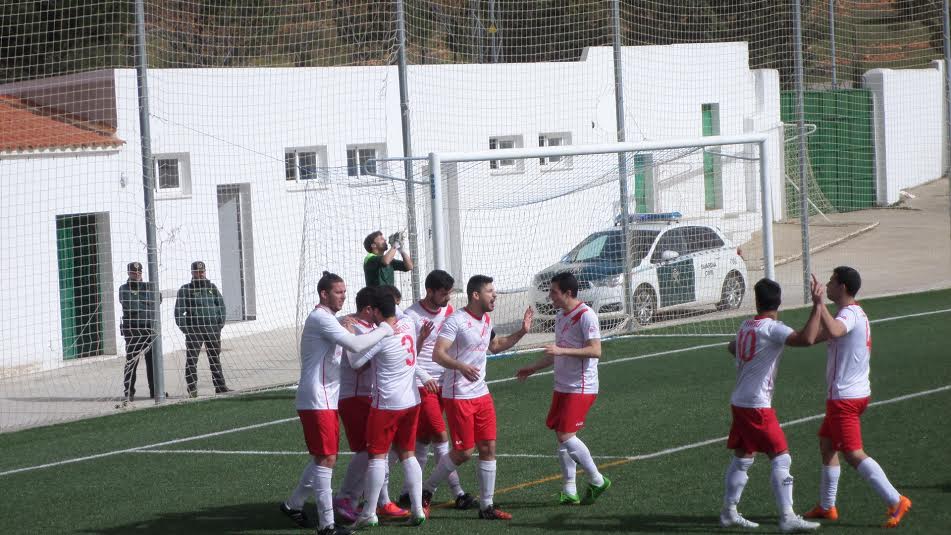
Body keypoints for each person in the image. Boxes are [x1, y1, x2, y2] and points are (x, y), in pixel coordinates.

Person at [280, 272, 395, 535]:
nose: (344, 296)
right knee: (327, 459)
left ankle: (293, 504)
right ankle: (327, 525)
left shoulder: (331, 319)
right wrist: (386, 329)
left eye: (344, 291)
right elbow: (355, 345)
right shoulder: (321, 318)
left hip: (327, 399)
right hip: (316, 398)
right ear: (324, 294)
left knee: (323, 457)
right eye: (339, 292)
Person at [802, 267, 912, 528]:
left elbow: (836, 331)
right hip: (853, 393)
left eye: (831, 281)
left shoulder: (849, 314)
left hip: (845, 398)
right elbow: (817, 336)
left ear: (842, 288)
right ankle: (827, 506)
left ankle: (896, 500)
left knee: (852, 453)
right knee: (827, 444)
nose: (827, 285)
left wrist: (819, 304)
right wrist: (810, 316)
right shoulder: (853, 313)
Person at [421, 275, 533, 520]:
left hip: (481, 393)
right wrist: (460, 366)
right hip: (458, 395)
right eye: (490, 291)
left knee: (488, 447)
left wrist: (522, 332)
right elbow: (438, 355)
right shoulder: (456, 321)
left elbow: (495, 345)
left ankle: (486, 507)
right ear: (475, 295)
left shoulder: (485, 319)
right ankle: (426, 490)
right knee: (463, 452)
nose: (495, 295)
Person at [720, 278, 823, 532]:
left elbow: (732, 347)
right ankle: (787, 517)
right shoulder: (772, 329)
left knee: (744, 456)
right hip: (756, 405)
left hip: (740, 401)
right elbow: (807, 339)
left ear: (757, 301)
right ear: (779, 302)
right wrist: (817, 306)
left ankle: (728, 512)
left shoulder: (746, 325)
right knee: (781, 456)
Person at [515, 272, 611, 506]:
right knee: (562, 437)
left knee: (566, 435)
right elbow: (556, 352)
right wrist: (533, 368)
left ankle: (597, 480)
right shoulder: (560, 316)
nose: (550, 297)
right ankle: (569, 489)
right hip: (562, 385)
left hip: (581, 386)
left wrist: (562, 352)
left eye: (554, 292)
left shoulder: (586, 316)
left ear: (568, 293)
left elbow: (595, 351)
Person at [347, 292, 438, 528]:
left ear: (376, 311)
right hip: (412, 401)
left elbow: (355, 362)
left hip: (387, 404)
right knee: (408, 454)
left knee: (377, 456)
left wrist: (350, 332)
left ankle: (369, 512)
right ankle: (417, 509)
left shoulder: (379, 336)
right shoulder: (408, 322)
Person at [333, 287, 411, 523]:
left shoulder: (373, 327)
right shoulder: (352, 326)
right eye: (378, 308)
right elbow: (358, 363)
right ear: (369, 309)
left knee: (380, 451)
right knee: (368, 451)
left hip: (373, 396)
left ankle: (380, 500)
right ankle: (345, 498)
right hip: (354, 397)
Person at [400, 270, 475, 510]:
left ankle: (407, 493)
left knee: (423, 439)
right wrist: (423, 373)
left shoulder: (449, 312)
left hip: (445, 383)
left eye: (449, 294)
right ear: (429, 291)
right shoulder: (411, 316)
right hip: (423, 384)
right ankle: (458, 493)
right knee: (442, 437)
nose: (448, 299)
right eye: (444, 294)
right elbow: (408, 355)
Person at [174, 261, 229, 397]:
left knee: (215, 358)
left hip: (212, 329)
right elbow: (178, 312)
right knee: (192, 360)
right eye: (197, 272)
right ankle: (192, 389)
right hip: (195, 330)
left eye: (202, 271)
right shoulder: (185, 290)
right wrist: (187, 329)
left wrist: (219, 324)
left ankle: (220, 387)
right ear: (192, 273)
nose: (200, 274)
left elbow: (221, 306)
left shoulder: (212, 288)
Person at [119, 261, 157, 401]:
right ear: (129, 273)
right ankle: (129, 392)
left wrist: (143, 301)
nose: (137, 275)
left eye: (139, 272)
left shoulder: (149, 286)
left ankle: (155, 391)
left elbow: (157, 299)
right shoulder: (124, 289)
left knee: (152, 363)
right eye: (134, 273)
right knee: (131, 363)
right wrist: (146, 302)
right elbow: (131, 306)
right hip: (133, 331)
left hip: (149, 330)